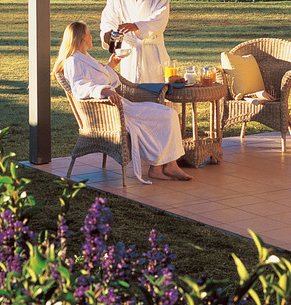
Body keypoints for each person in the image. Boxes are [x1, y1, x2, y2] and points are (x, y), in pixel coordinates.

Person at [52, 21, 192, 183]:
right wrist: (104, 91)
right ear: (82, 37)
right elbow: (80, 87)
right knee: (167, 115)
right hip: (110, 112)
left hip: (121, 105)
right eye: (88, 33)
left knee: (169, 113)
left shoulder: (84, 58)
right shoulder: (73, 61)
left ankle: (165, 165)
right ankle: (163, 167)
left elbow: (101, 78)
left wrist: (111, 65)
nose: (91, 36)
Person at [100, 0, 169, 83]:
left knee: (156, 95)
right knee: (131, 96)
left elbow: (161, 17)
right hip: (130, 53)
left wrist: (137, 26)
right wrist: (107, 34)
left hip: (152, 52)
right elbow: (109, 18)